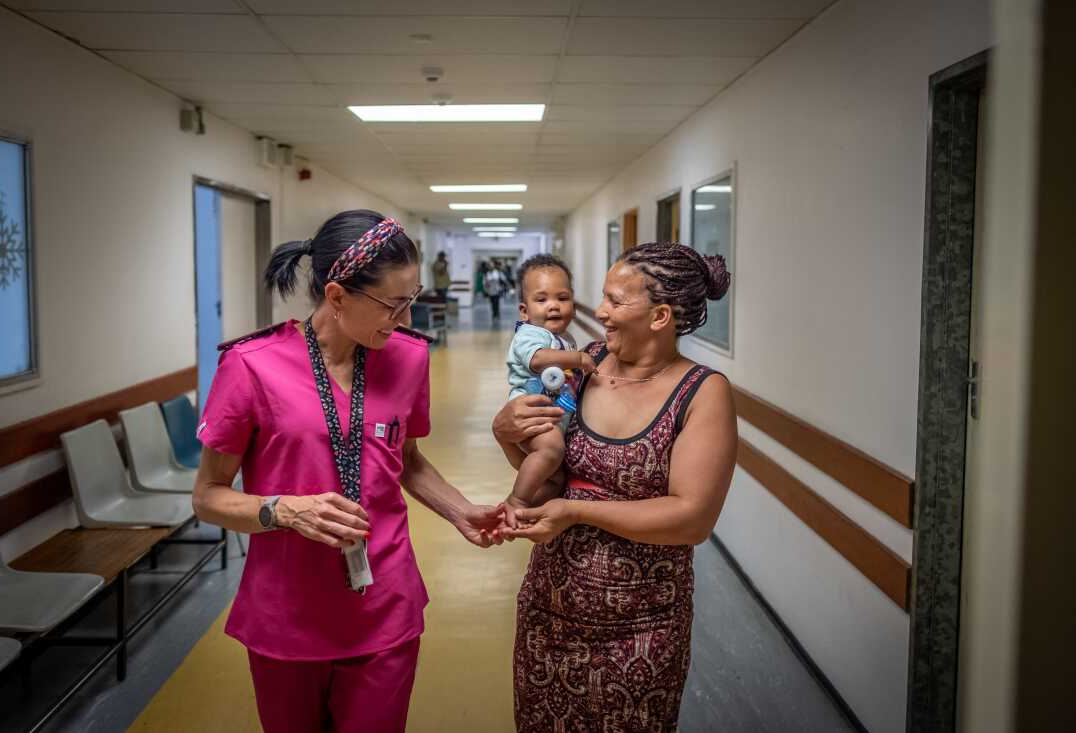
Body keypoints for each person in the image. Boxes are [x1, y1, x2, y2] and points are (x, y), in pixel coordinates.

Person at [191, 210, 505, 733]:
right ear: (336, 296)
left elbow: (404, 462)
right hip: (287, 611)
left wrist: (461, 511)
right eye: (392, 303)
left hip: (385, 605)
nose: (406, 318)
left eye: (413, 298)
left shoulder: (408, 359)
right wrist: (282, 509)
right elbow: (207, 497)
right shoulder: (251, 366)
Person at [491, 242, 738, 732]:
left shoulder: (702, 394)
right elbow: (550, 479)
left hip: (641, 630)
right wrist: (505, 436)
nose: (599, 312)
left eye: (615, 300)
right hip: (549, 609)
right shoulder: (587, 366)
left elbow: (692, 519)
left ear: (660, 315)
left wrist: (578, 512)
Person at [501, 255, 596, 529]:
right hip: (529, 410)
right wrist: (578, 360)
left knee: (554, 479)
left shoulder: (564, 340)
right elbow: (538, 360)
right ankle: (516, 501)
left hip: (551, 412)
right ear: (524, 310)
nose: (553, 306)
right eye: (541, 300)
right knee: (551, 450)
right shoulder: (530, 334)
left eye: (562, 298)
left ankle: (522, 514)